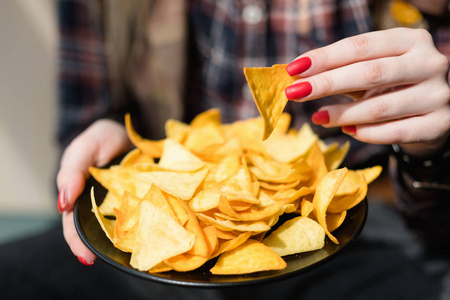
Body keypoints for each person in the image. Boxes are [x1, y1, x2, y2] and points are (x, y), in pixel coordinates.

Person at [1, 0, 449, 298]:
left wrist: (433, 149)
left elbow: (438, 227)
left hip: (359, 241)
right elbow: (87, 122)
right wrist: (107, 146)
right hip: (159, 241)